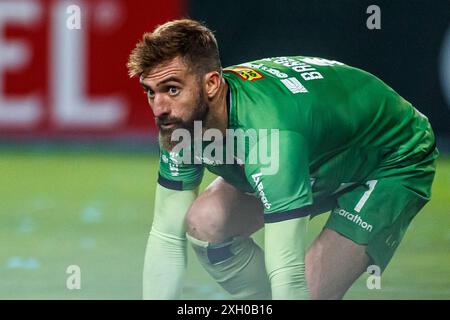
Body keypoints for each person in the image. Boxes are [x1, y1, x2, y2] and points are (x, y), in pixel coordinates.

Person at [127, 19, 438, 300]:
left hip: (392, 157)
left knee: (307, 291)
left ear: (211, 84)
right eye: (151, 92)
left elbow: (287, 272)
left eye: (171, 89)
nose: (158, 108)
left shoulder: (270, 135)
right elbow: (167, 235)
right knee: (204, 222)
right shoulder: (181, 120)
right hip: (318, 152)